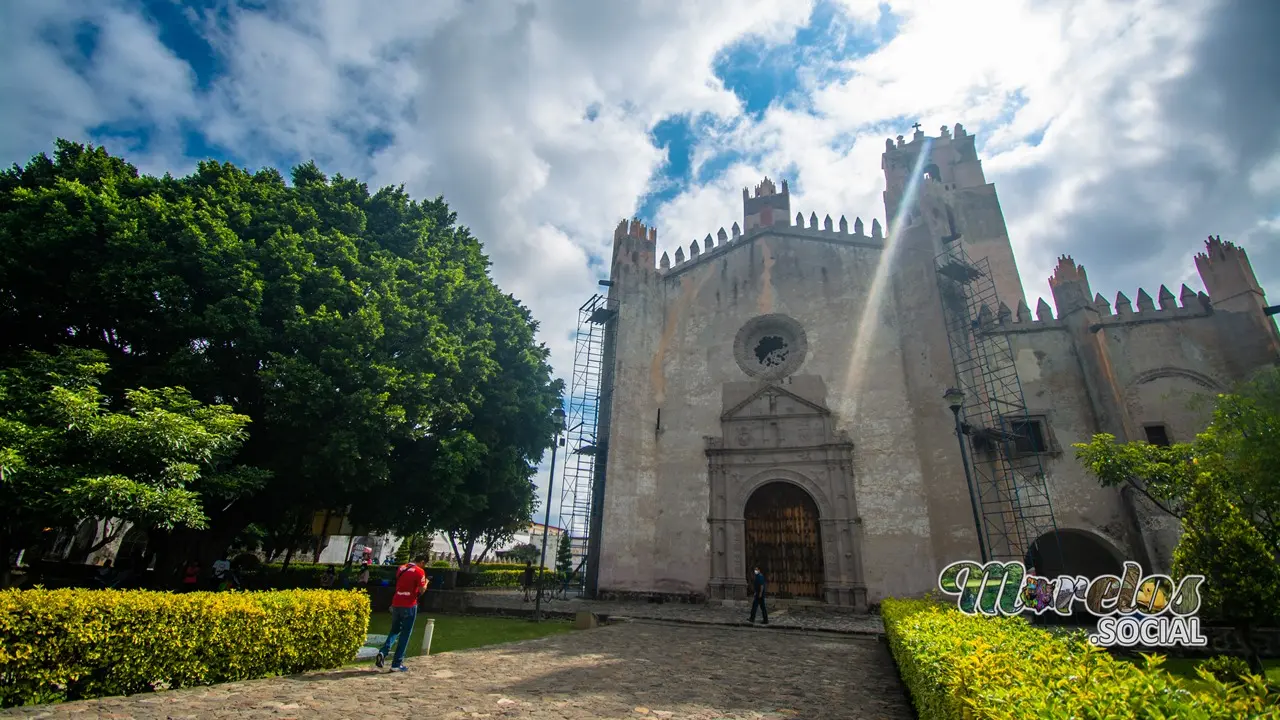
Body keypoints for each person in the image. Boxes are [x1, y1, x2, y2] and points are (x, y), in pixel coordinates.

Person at [376, 554, 430, 672]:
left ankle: (383, 651)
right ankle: (396, 663)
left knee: (395, 630)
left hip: (397, 602)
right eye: (424, 564)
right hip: (409, 604)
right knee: (405, 634)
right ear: (421, 562)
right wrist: (426, 583)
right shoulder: (419, 571)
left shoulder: (401, 568)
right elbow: (421, 591)